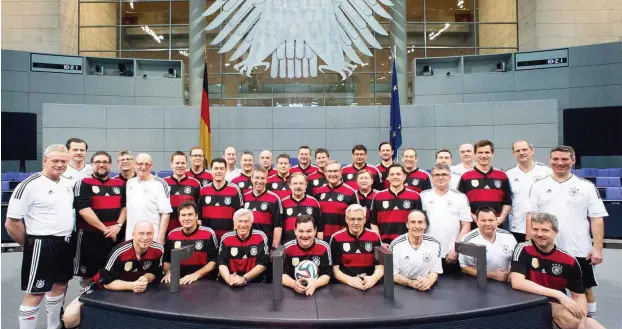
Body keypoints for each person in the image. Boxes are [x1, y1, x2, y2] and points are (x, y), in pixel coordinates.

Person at [526, 145, 608, 318]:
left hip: (578, 249)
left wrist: (597, 248)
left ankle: (587, 321)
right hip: (546, 249)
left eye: (564, 159)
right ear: (550, 160)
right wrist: (529, 244)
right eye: (555, 159)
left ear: (573, 160)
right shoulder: (539, 186)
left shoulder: (586, 186)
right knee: (548, 289)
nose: (559, 163)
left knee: (584, 289)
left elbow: (597, 218)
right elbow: (531, 217)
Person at [6, 145, 75, 329]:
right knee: (36, 293)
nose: (60, 164)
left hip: (65, 242)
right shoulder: (29, 185)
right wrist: (29, 244)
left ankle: (54, 326)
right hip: (41, 243)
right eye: (55, 161)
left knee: (59, 286)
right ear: (45, 161)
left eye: (63, 161)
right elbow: (11, 223)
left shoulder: (67, 183)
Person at [511, 213, 606, 329]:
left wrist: (582, 322)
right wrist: (559, 295)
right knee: (562, 313)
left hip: (556, 305)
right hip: (528, 304)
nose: (539, 234)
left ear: (555, 232)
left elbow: (578, 296)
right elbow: (517, 282)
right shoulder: (523, 249)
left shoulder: (569, 261)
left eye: (545, 230)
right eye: (535, 229)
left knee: (588, 324)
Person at [62, 221, 164, 329]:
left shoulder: (158, 250)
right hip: (105, 288)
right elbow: (106, 282)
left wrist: (146, 278)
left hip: (138, 290)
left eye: (149, 233)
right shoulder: (119, 251)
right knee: (69, 317)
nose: (145, 237)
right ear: (133, 234)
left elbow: (154, 272)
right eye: (141, 233)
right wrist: (132, 286)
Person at [74, 151, 126, 288]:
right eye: (97, 162)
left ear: (110, 165)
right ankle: (86, 305)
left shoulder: (119, 184)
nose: (101, 165)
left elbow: (124, 207)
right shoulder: (83, 183)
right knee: (88, 276)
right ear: (92, 165)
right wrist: (105, 229)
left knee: (112, 273)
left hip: (114, 236)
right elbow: (84, 210)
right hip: (89, 238)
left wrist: (118, 226)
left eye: (105, 162)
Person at [420, 164, 471, 274]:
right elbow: (417, 226)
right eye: (436, 175)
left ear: (450, 177)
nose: (440, 177)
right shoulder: (423, 196)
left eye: (444, 174)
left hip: (451, 254)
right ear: (432, 178)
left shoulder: (460, 197)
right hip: (427, 252)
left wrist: (457, 249)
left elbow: (466, 225)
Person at [458, 140, 512, 229]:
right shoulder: (465, 177)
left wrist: (502, 218)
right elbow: (461, 204)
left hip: (497, 226)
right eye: (480, 152)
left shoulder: (502, 176)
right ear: (475, 154)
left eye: (487, 152)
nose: (483, 155)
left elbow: (507, 202)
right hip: (474, 226)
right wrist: (476, 219)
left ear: (492, 154)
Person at [505, 140, 552, 243]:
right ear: (514, 154)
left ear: (532, 151)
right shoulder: (508, 174)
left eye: (525, 149)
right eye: (518, 151)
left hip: (542, 227)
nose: (521, 153)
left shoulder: (547, 172)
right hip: (516, 227)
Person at [163, 200, 218, 284]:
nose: (186, 218)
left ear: (196, 216)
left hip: (203, 282)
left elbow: (213, 261)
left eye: (190, 214)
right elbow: (167, 261)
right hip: (179, 282)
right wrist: (168, 272)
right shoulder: (172, 235)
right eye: (183, 215)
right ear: (179, 218)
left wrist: (196, 275)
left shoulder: (208, 233)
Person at [330, 205, 383, 291]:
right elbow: (335, 270)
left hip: (370, 286)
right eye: (352, 219)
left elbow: (380, 266)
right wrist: (350, 280)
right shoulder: (336, 238)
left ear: (365, 219)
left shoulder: (375, 237)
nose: (356, 223)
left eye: (359, 219)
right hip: (346, 287)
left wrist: (373, 278)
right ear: (346, 219)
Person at [459, 206, 517, 281]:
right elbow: (464, 267)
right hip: (479, 282)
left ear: (496, 221)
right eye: (483, 220)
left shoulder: (509, 237)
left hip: (505, 282)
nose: (487, 224)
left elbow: (517, 262)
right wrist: (491, 275)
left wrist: (511, 274)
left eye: (491, 220)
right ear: (477, 221)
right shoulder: (468, 240)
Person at [370, 164, 422, 246]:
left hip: (408, 244)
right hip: (385, 245)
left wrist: (414, 241)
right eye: (392, 174)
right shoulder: (378, 197)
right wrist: (380, 242)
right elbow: (373, 223)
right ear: (388, 177)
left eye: (398, 174)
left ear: (404, 176)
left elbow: (419, 222)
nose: (395, 177)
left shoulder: (415, 196)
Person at [125, 153, 172, 244]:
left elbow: (165, 214)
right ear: (134, 164)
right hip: (131, 237)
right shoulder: (129, 183)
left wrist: (160, 238)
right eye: (140, 164)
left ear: (151, 166)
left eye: (147, 164)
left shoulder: (160, 184)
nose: (143, 167)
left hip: (152, 237)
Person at [390, 210, 442, 291]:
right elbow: (393, 274)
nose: (417, 226)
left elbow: (434, 271)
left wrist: (428, 282)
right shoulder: (396, 245)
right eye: (413, 222)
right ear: (407, 224)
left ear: (425, 225)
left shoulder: (435, 244)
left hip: (426, 288)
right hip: (401, 288)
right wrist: (410, 283)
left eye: (420, 222)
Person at [282, 215, 331, 296]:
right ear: (295, 231)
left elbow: (327, 275)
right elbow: (282, 274)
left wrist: (315, 284)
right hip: (292, 295)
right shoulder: (287, 248)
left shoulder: (324, 247)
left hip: (318, 293)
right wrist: (293, 284)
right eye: (301, 231)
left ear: (315, 231)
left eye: (309, 231)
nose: (305, 235)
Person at [218, 209, 269, 285]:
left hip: (254, 283)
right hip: (230, 282)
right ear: (234, 223)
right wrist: (228, 279)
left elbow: (263, 263)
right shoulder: (226, 238)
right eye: (240, 221)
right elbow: (222, 263)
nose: (242, 225)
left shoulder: (260, 237)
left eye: (246, 221)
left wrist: (243, 278)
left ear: (251, 223)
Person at [199, 158, 244, 239]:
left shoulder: (235, 189)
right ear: (211, 170)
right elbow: (199, 217)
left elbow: (240, 216)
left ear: (226, 170)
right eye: (216, 168)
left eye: (221, 168)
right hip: (208, 239)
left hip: (229, 238)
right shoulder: (203, 190)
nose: (218, 171)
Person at [314, 161, 359, 240]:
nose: (332, 174)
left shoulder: (351, 192)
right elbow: (315, 216)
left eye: (335, 171)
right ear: (325, 173)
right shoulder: (318, 192)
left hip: (343, 237)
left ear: (341, 172)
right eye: (329, 171)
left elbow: (355, 217)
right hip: (321, 237)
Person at [243, 167, 283, 252]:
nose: (259, 181)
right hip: (246, 243)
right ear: (251, 178)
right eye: (257, 177)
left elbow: (278, 226)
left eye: (262, 178)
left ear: (266, 180)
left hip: (265, 244)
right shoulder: (244, 197)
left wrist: (274, 248)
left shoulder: (274, 198)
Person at [164, 151, 201, 233]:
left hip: (189, 231)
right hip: (168, 230)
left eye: (183, 163)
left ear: (186, 164)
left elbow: (199, 209)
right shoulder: (163, 183)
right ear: (171, 164)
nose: (180, 166)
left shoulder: (195, 183)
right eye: (177, 163)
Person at [282, 173, 322, 242]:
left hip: (309, 244)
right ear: (290, 186)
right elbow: (279, 227)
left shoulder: (314, 202)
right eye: (295, 183)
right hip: (288, 244)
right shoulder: (283, 203)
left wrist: (319, 243)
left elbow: (320, 227)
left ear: (306, 185)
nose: (298, 186)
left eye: (301, 183)